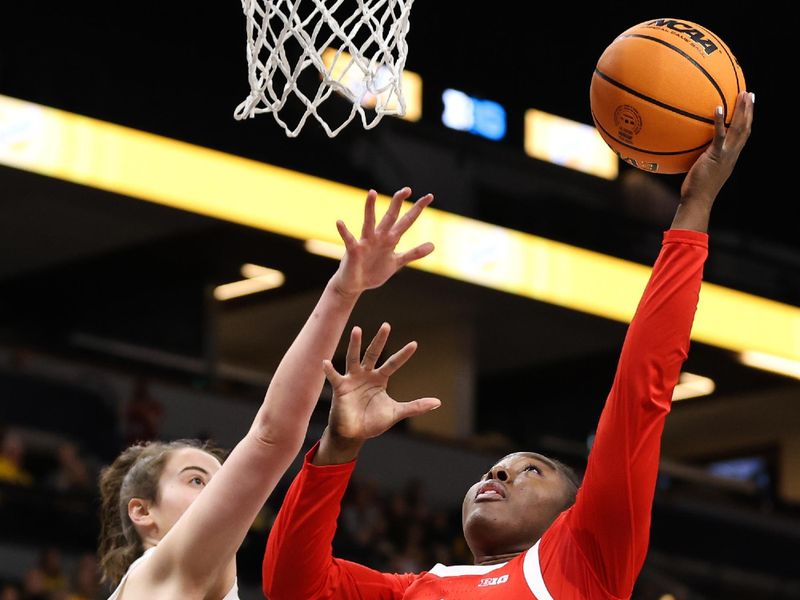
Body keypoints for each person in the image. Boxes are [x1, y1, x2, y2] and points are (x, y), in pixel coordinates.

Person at [262, 91, 755, 599]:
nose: (498, 469)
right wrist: (338, 448)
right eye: (503, 466)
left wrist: (695, 206)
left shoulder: (584, 558)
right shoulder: (411, 589)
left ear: (572, 515)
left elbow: (641, 387)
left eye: (530, 471)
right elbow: (291, 588)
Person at [97, 187, 435, 599]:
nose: (223, 490)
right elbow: (271, 436)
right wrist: (342, 292)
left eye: (220, 479)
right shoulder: (156, 571)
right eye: (197, 480)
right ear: (142, 512)